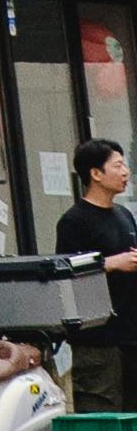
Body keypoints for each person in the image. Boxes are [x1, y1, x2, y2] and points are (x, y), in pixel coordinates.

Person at [55, 137, 137, 415]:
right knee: (104, 418)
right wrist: (111, 263)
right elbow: (65, 273)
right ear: (96, 174)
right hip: (98, 341)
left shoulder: (124, 214)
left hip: (131, 333)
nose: (125, 171)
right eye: (118, 165)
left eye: (125, 164)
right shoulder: (74, 221)